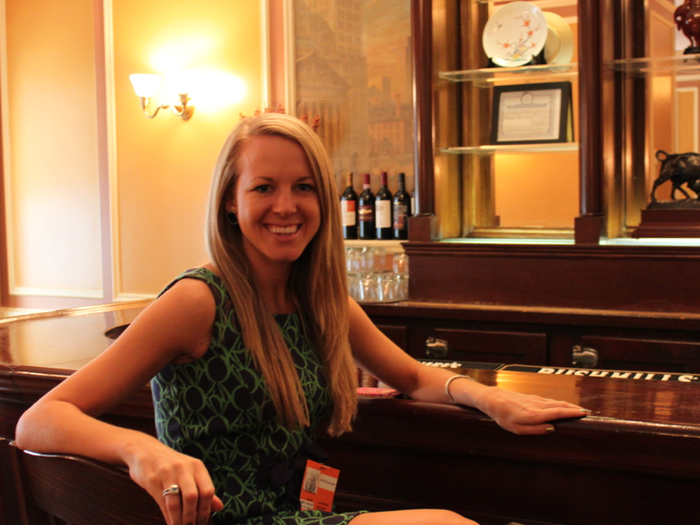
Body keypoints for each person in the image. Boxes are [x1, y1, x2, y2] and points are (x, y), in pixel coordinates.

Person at [15, 113, 590, 525]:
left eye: (304, 187)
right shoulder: (199, 300)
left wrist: (489, 398)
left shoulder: (323, 300)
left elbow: (412, 377)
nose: (286, 206)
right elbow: (40, 421)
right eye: (264, 187)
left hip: (301, 512)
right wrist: (145, 451)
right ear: (230, 204)